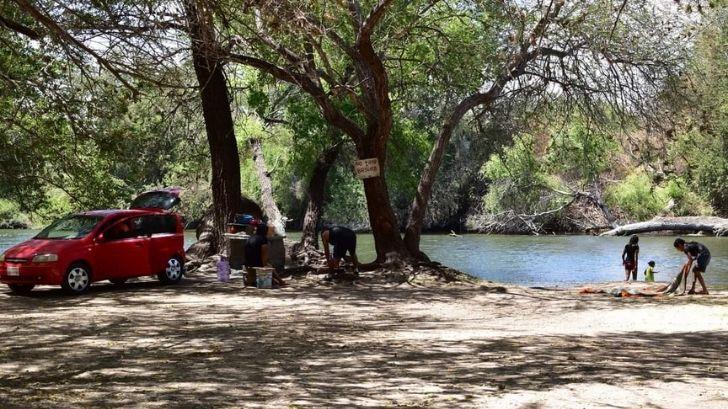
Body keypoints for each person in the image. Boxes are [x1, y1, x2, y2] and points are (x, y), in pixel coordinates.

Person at [244, 222, 285, 288]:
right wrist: (264, 266)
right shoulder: (263, 239)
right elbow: (264, 255)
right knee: (269, 266)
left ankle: (279, 281)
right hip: (256, 264)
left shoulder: (250, 238)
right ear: (265, 231)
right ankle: (281, 281)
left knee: (268, 266)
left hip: (247, 263)